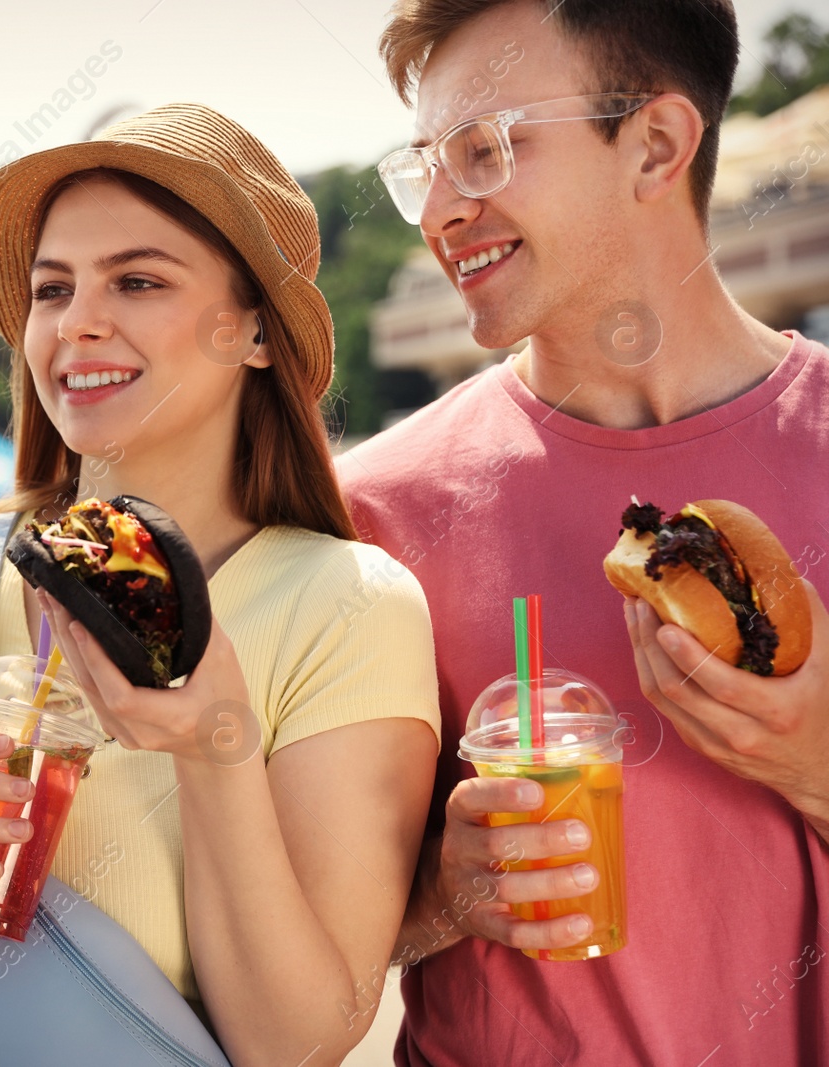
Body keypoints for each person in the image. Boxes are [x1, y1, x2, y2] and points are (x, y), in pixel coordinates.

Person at [0, 103, 442, 1066]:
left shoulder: (349, 606)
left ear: (255, 332)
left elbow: (295, 1045)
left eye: (136, 280)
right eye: (53, 289)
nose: (78, 323)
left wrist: (218, 750)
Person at [339, 1, 829, 1063]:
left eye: (482, 150)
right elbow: (297, 959)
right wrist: (438, 895)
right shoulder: (369, 511)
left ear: (653, 145)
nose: (436, 208)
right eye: (423, 162)